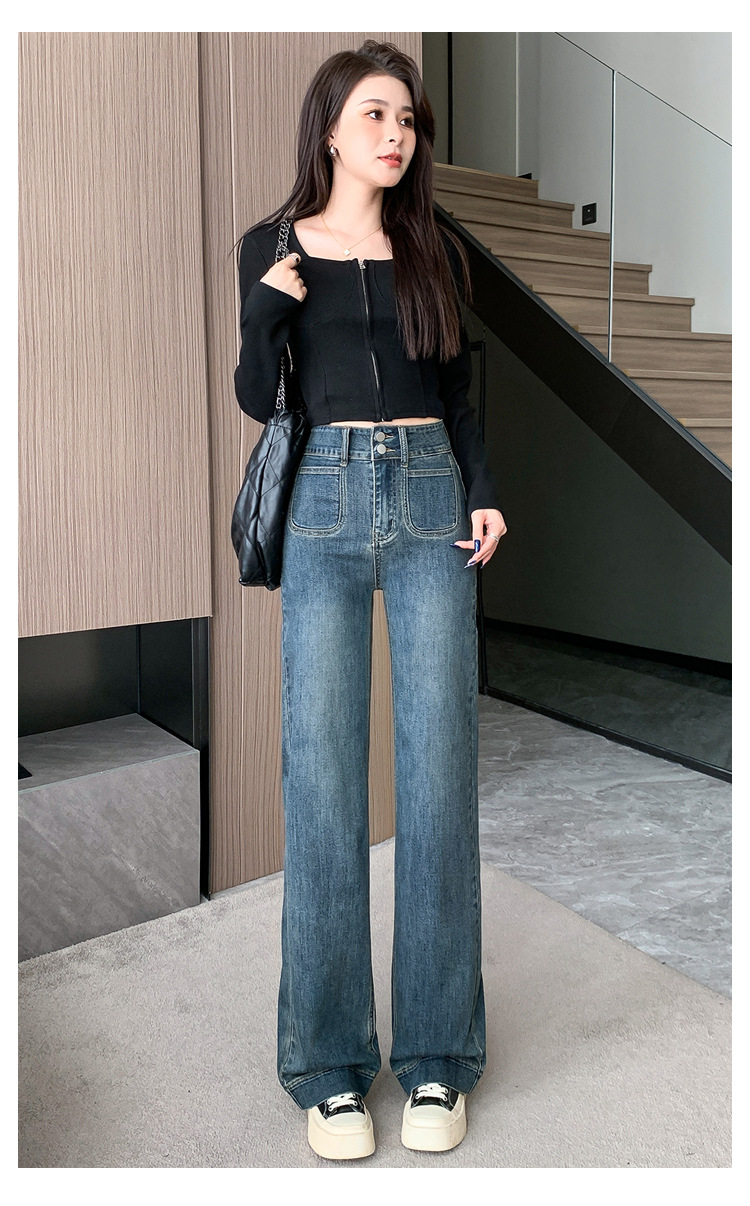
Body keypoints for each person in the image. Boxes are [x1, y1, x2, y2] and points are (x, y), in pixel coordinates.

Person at [232, 39, 507, 1161]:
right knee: (323, 783)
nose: (397, 135)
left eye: (408, 120)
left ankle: (438, 1058)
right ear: (331, 129)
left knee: (439, 778)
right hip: (325, 503)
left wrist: (483, 491)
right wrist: (268, 309)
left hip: (433, 493)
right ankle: (330, 1068)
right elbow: (258, 394)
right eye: (377, 116)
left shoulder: (435, 248)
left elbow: (460, 387)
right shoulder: (272, 245)